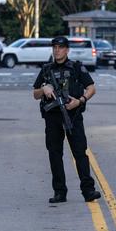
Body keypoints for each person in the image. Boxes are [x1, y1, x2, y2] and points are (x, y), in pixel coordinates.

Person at [32, 36, 100, 204]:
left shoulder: (76, 67)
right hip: (52, 118)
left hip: (73, 116)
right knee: (55, 154)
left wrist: (80, 100)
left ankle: (88, 190)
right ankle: (59, 192)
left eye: (61, 47)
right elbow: (35, 94)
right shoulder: (47, 69)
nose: (57, 50)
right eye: (54, 47)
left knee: (80, 153)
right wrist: (44, 88)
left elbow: (91, 88)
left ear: (67, 50)